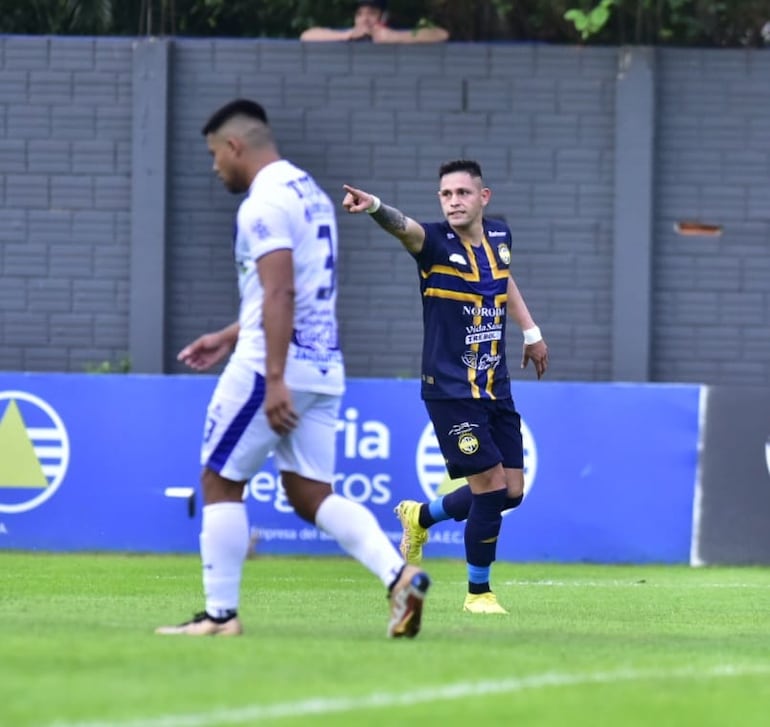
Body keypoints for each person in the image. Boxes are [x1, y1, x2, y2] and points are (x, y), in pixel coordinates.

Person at [156, 98, 429, 639]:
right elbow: (292, 289)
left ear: (235, 146)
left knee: (219, 481)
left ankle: (219, 616)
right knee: (311, 494)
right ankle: (398, 575)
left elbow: (280, 289)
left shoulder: (262, 204)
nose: (215, 167)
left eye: (215, 155)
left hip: (269, 367)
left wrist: (273, 376)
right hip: (323, 364)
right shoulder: (310, 194)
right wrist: (229, 333)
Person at [342, 160, 548, 615]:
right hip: (451, 392)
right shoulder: (433, 243)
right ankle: (479, 594)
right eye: (446, 194)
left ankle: (420, 516)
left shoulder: (500, 237)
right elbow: (404, 228)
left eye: (462, 193)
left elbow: (503, 278)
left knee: (512, 491)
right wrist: (374, 205)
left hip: (495, 385)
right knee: (491, 489)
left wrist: (530, 332)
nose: (453, 201)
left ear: (483, 197)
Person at [300, 0, 448, 44]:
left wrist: (395, 37)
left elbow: (441, 34)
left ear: (384, 17)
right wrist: (347, 36)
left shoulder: (392, 33)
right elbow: (307, 36)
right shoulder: (349, 35)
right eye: (360, 14)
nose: (364, 19)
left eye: (371, 13)